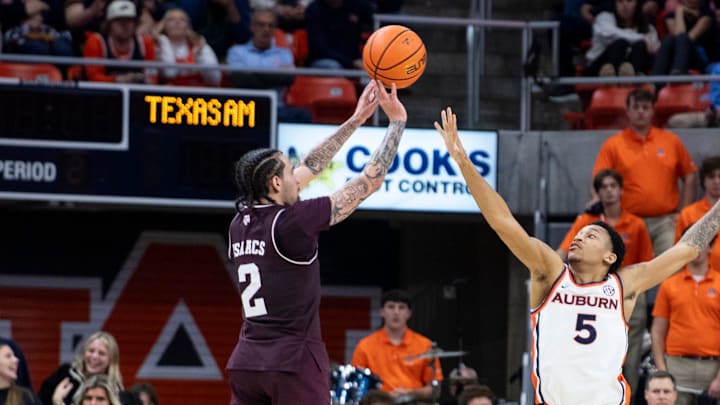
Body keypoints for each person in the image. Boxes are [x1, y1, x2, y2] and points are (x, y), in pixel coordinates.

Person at [434, 105, 720, 404]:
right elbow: (503, 222)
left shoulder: (625, 285)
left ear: (610, 257)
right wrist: (463, 162)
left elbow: (688, 248)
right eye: (579, 235)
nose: (578, 239)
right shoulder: (550, 272)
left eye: (591, 235)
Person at [225, 79, 407, 405]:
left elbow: (312, 164)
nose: (298, 172)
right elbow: (371, 180)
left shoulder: (240, 223)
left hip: (247, 362)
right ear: (276, 181)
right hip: (291, 360)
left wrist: (356, 120)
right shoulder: (294, 221)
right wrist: (396, 122)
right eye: (288, 169)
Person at [557, 169, 654, 396]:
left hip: (626, 290)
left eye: (613, 186)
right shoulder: (587, 223)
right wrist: (545, 272)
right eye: (604, 187)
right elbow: (561, 253)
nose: (609, 191)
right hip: (593, 290)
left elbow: (646, 264)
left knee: (630, 352)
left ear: (621, 190)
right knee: (592, 349)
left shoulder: (636, 223)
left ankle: (625, 398)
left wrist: (634, 290)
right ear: (597, 192)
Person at [591, 88, 697, 259]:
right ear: (628, 111)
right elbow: (600, 180)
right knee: (627, 272)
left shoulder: (671, 141)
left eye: (646, 107)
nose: (641, 112)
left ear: (653, 110)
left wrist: (682, 212)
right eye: (636, 107)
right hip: (628, 221)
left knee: (669, 268)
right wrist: (597, 204)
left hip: (665, 221)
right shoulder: (613, 145)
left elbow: (690, 174)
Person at [651, 226, 720, 405]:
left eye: (702, 242)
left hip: (713, 367)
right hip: (677, 367)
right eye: (692, 242)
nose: (697, 248)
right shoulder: (669, 285)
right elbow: (658, 331)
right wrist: (662, 371)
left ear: (711, 247)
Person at [351, 289, 443, 402]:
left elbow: (435, 389)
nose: (396, 312)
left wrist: (411, 393)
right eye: (391, 307)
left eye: (401, 307)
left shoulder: (425, 345)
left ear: (409, 313)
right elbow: (357, 386)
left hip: (413, 402)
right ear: (382, 312)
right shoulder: (365, 345)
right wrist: (384, 396)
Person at [226, 8, 311, 123]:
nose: (266, 29)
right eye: (261, 25)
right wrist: (274, 76)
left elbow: (288, 79)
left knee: (304, 115)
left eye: (271, 26)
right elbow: (239, 79)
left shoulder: (284, 53)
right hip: (246, 110)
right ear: (252, 26)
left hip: (276, 108)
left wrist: (252, 75)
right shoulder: (237, 51)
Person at [38, 331, 137, 405]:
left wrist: (59, 402)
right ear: (84, 352)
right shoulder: (63, 376)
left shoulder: (119, 393)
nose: (94, 357)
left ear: (112, 360)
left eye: (101, 353)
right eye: (91, 351)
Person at [82, 0, 158, 84]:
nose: (125, 26)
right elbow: (93, 78)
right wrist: (118, 80)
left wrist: (142, 79)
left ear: (135, 24)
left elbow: (152, 78)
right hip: (103, 95)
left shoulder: (145, 43)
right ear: (109, 24)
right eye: (119, 21)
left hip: (136, 94)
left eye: (129, 21)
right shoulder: (96, 42)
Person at [583, 0, 659, 77]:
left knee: (640, 46)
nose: (625, 5)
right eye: (620, 1)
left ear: (637, 4)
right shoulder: (604, 17)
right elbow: (611, 35)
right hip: (596, 70)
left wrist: (645, 42)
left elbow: (655, 46)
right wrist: (642, 38)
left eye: (629, 1)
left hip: (632, 70)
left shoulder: (647, 27)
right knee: (621, 44)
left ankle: (630, 79)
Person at [651, 0, 716, 84]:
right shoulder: (670, 17)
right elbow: (677, 40)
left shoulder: (707, 15)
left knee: (681, 39)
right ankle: (655, 83)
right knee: (668, 40)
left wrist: (679, 11)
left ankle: (678, 74)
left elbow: (685, 39)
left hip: (700, 60)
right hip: (677, 60)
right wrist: (679, 11)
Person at [675, 156, 720, 273]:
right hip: (696, 282)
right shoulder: (688, 214)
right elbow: (677, 255)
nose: (717, 181)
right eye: (711, 177)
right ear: (703, 180)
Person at [155, 7, 221, 86]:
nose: (177, 22)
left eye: (182, 20)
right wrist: (164, 40)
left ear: (188, 27)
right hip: (168, 96)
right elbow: (169, 73)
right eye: (171, 19)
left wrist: (199, 55)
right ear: (163, 25)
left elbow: (215, 79)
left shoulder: (200, 46)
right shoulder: (157, 45)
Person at [304, 0, 374, 69]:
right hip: (322, 59)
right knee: (333, 66)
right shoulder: (314, 9)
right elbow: (320, 48)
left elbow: (368, 33)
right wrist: (351, 62)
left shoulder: (359, 7)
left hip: (354, 59)